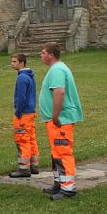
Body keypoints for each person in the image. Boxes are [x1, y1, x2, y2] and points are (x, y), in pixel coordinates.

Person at [39, 42, 84, 200]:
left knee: (63, 152)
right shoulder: (57, 68)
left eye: (43, 52)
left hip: (60, 120)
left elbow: (59, 92)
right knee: (56, 153)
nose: (41, 55)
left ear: (51, 55)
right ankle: (59, 183)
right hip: (56, 121)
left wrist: (56, 116)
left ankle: (68, 189)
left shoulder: (57, 69)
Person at [9, 53, 40, 177]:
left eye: (14, 61)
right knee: (31, 138)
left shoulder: (22, 78)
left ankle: (24, 168)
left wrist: (18, 112)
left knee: (22, 139)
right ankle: (34, 165)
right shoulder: (29, 76)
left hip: (23, 113)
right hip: (31, 111)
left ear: (22, 62)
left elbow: (21, 97)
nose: (12, 64)